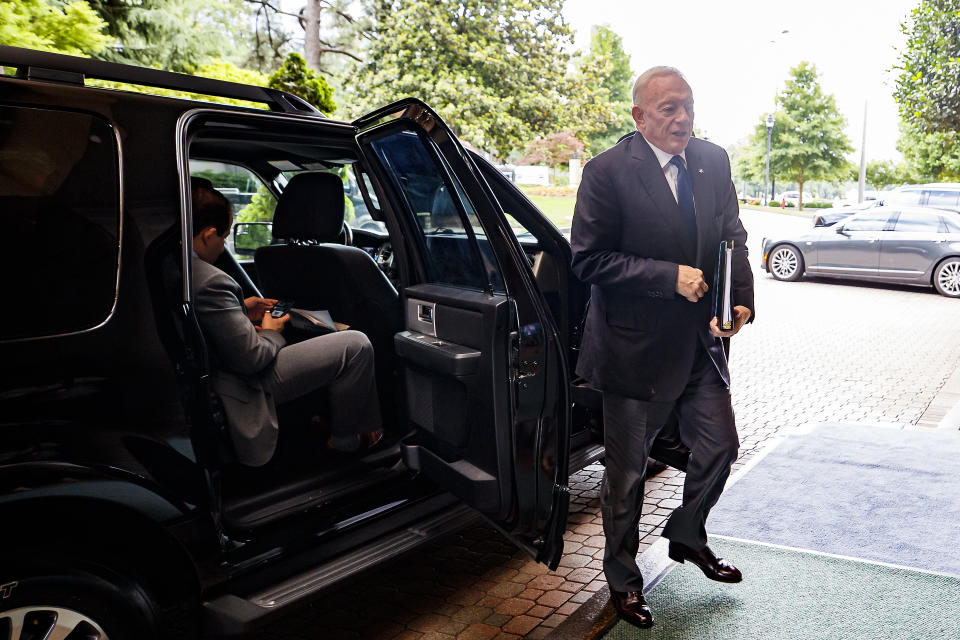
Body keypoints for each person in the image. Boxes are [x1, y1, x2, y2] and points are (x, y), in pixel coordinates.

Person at [570, 66, 755, 629]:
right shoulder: (606, 173)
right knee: (625, 479)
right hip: (633, 353)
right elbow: (587, 260)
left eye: (688, 107)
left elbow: (733, 239)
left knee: (721, 446)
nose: (682, 119)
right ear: (640, 116)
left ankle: (686, 533)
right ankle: (623, 582)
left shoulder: (713, 160)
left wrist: (740, 301)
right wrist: (666, 275)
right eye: (669, 109)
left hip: (700, 345)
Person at [190, 180, 382, 467]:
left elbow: (202, 319)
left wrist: (241, 308)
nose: (224, 245)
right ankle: (346, 440)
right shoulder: (210, 280)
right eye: (224, 237)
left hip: (218, 369)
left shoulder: (177, 267)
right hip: (240, 382)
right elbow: (252, 358)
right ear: (207, 235)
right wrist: (272, 331)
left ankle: (326, 418)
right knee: (356, 344)